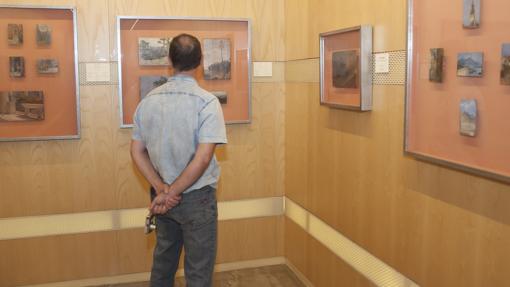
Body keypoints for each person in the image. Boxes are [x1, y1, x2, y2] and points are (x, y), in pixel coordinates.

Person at [130, 33, 227, 287]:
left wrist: (162, 189)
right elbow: (204, 157)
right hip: (197, 197)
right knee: (198, 272)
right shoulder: (207, 102)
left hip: (162, 199)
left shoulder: (147, 102)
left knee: (163, 264)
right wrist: (171, 191)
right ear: (200, 61)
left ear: (170, 60)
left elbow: (136, 151)